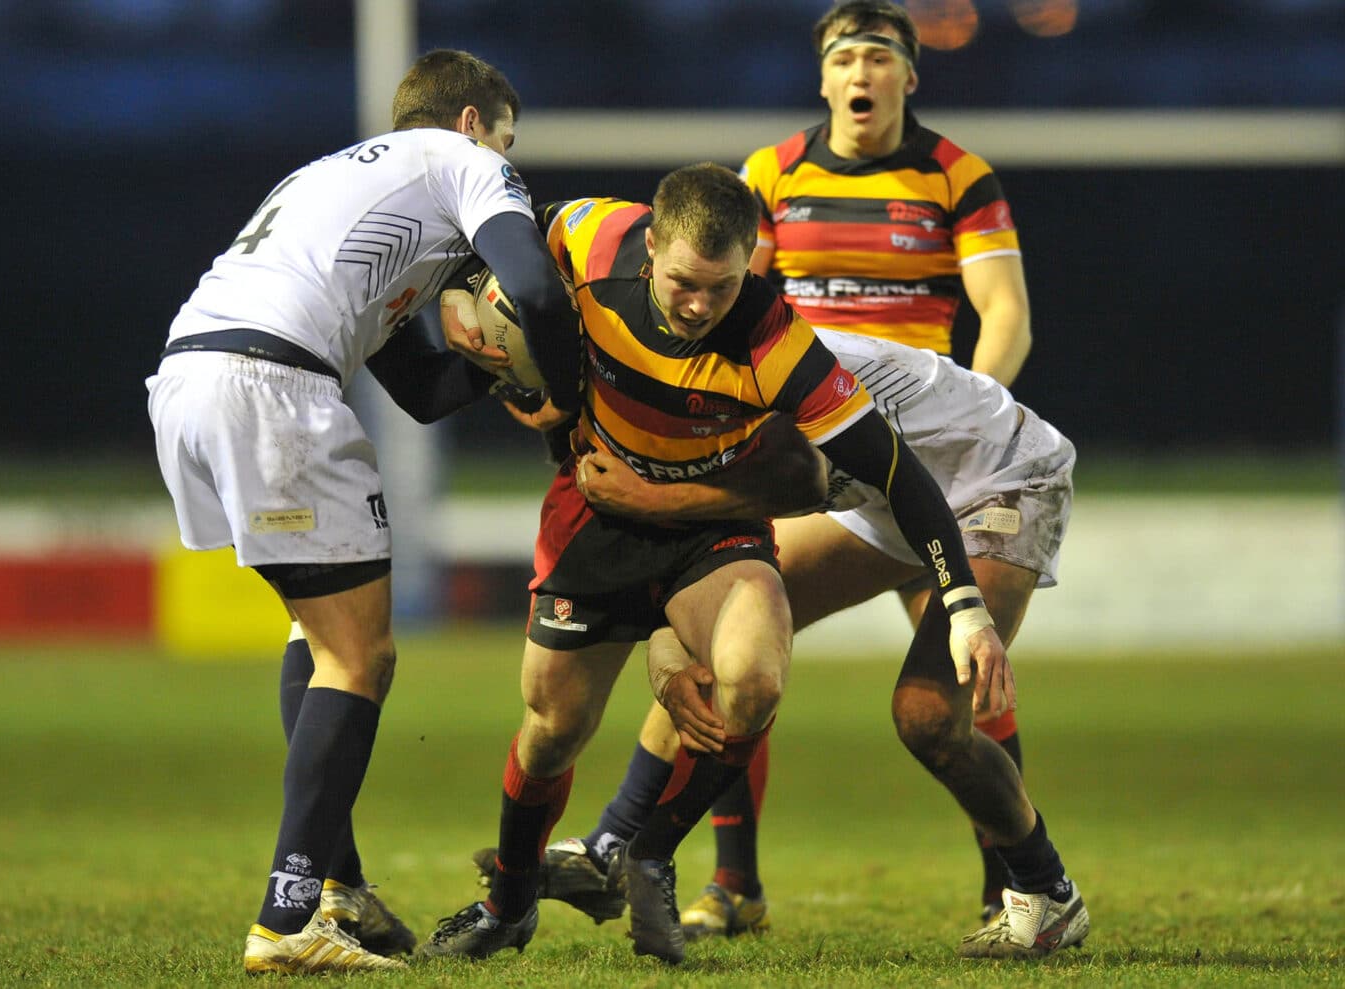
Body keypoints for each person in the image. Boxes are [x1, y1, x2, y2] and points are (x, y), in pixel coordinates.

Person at [480, 0, 1046, 945]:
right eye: (845, 57)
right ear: (822, 77)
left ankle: (1013, 888)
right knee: (741, 645)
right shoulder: (770, 176)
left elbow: (1006, 313)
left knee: (951, 681)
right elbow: (731, 318)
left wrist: (972, 422)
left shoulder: (957, 174)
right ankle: (716, 875)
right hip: (811, 436)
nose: (862, 73)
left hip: (921, 434)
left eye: (880, 56)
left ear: (911, 75)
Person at [146, 48, 579, 976]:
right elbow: (539, 289)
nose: (508, 164)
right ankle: (289, 914)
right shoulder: (464, 163)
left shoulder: (335, 180)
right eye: (509, 145)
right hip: (272, 386)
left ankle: (333, 882)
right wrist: (570, 391)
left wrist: (501, 366)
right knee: (362, 654)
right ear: (473, 125)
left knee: (320, 636)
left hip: (192, 374)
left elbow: (422, 387)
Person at [492, 331, 1090, 959]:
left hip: (998, 473)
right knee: (720, 644)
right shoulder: (643, 388)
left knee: (929, 717)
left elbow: (800, 484)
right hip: (886, 495)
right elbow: (696, 568)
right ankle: (614, 847)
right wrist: (668, 667)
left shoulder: (713, 381)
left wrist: (652, 497)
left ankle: (1046, 891)